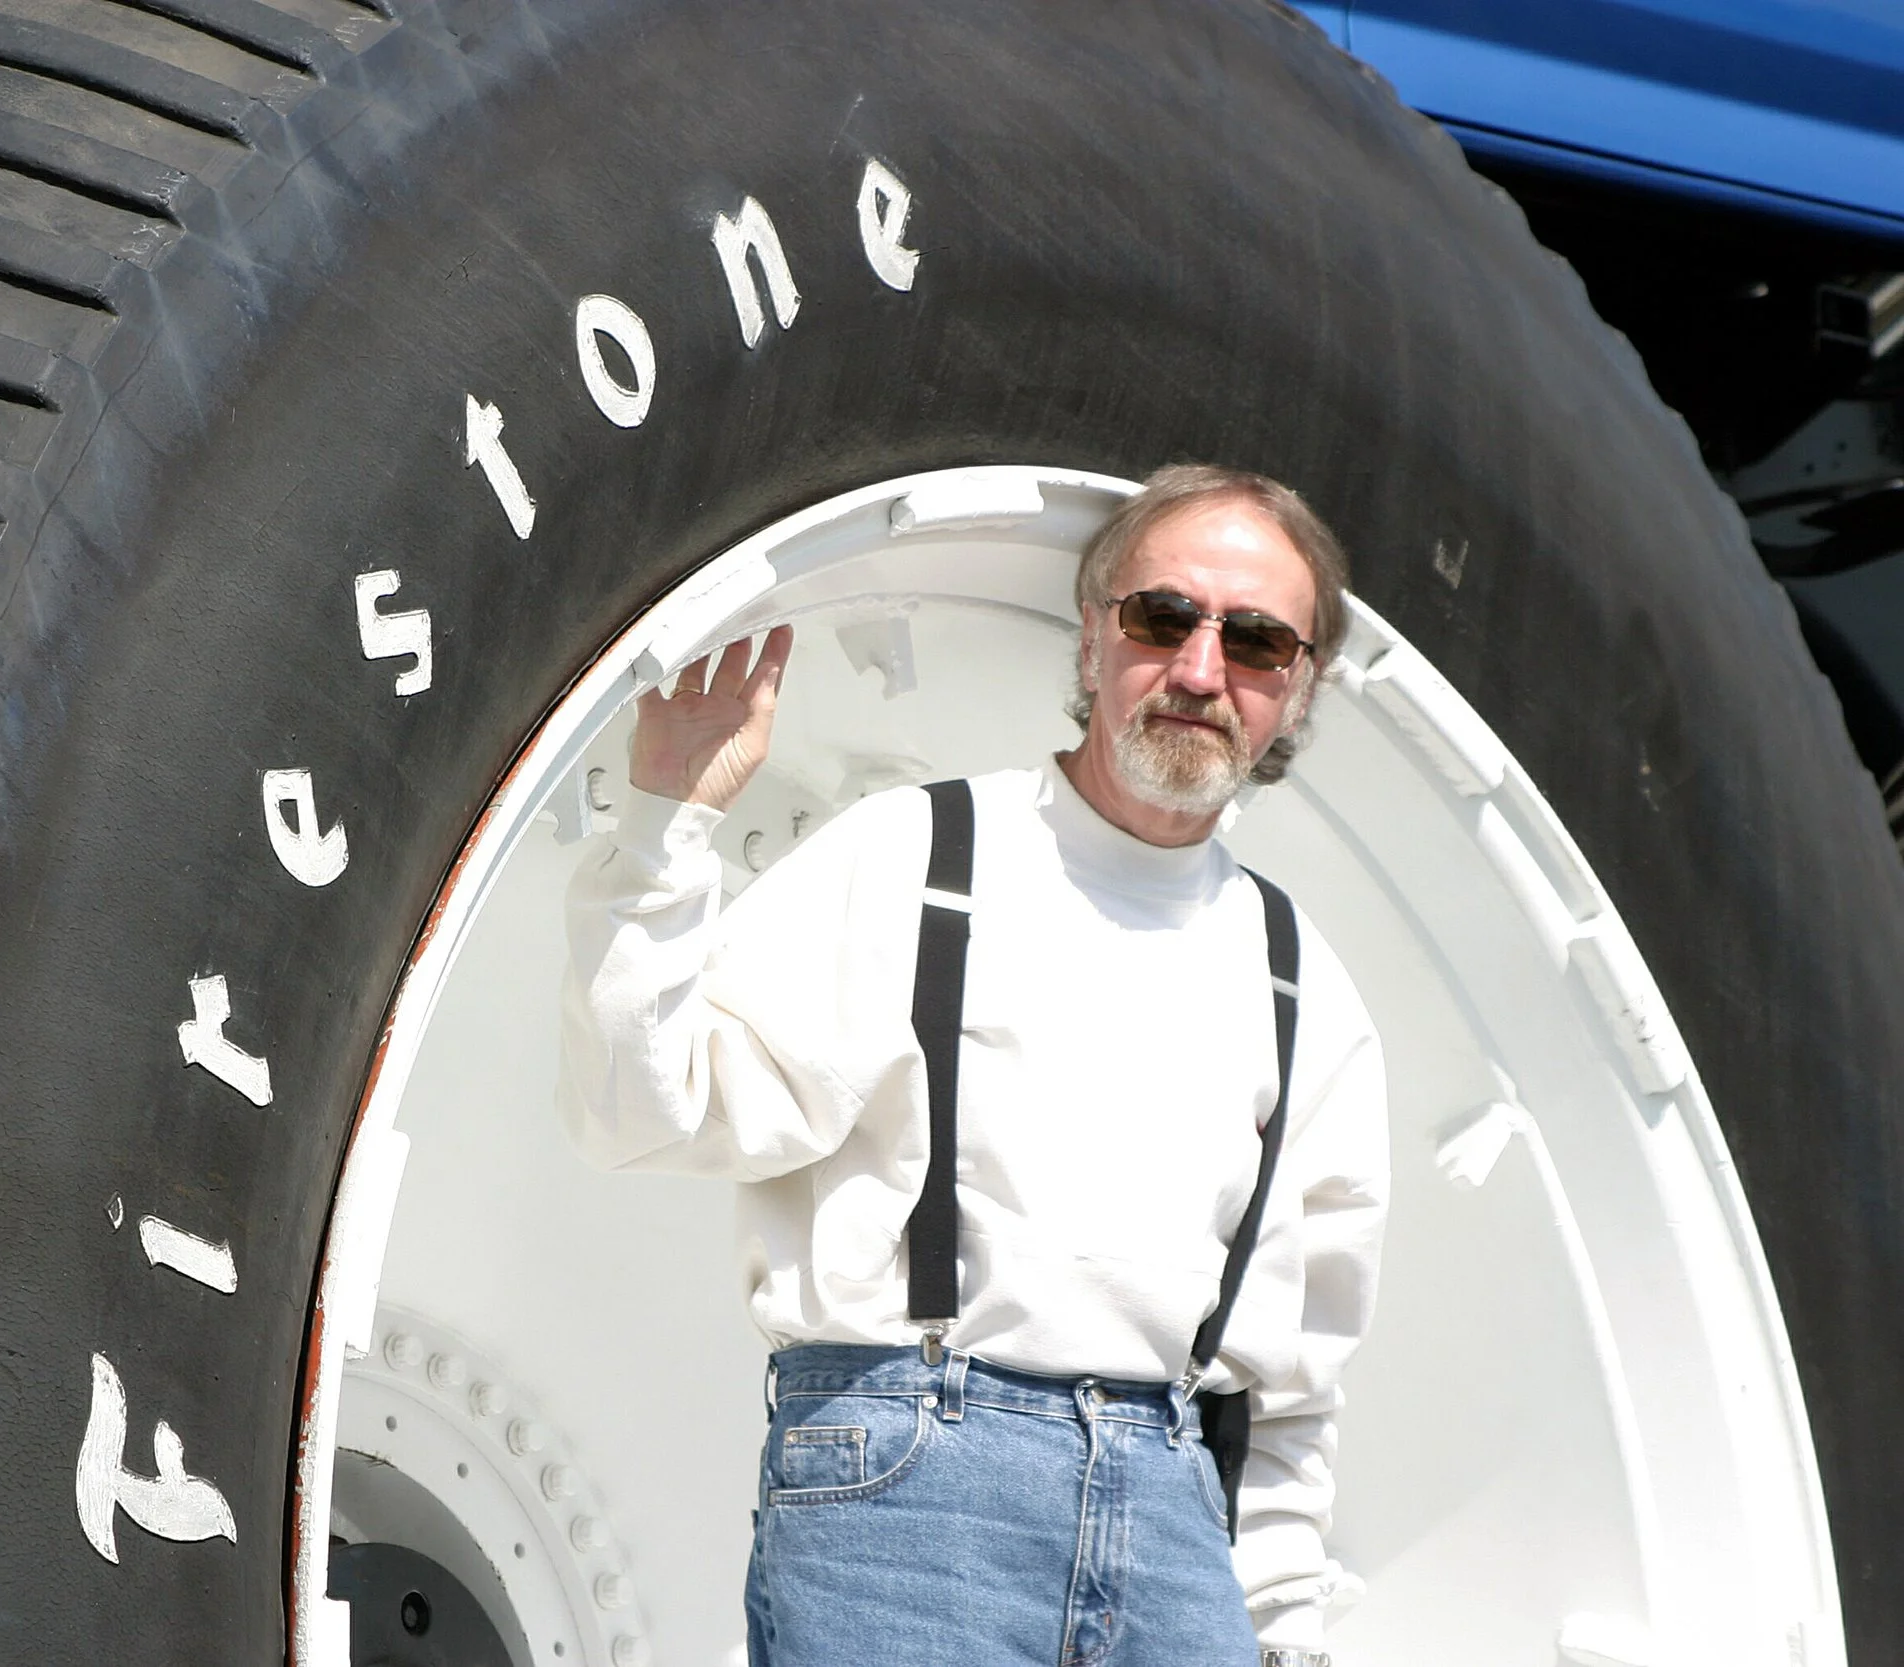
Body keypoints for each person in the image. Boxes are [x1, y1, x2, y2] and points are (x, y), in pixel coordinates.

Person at [557, 464, 1390, 1667]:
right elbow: (642, 1108)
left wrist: (1279, 1635)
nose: (1202, 671)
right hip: (909, 1480)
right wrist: (660, 824)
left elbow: (1289, 1396)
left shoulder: (1301, 980)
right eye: (1165, 619)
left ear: (1295, 688)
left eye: (1257, 641)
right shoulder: (918, 855)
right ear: (1097, 637)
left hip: (1171, 1514)